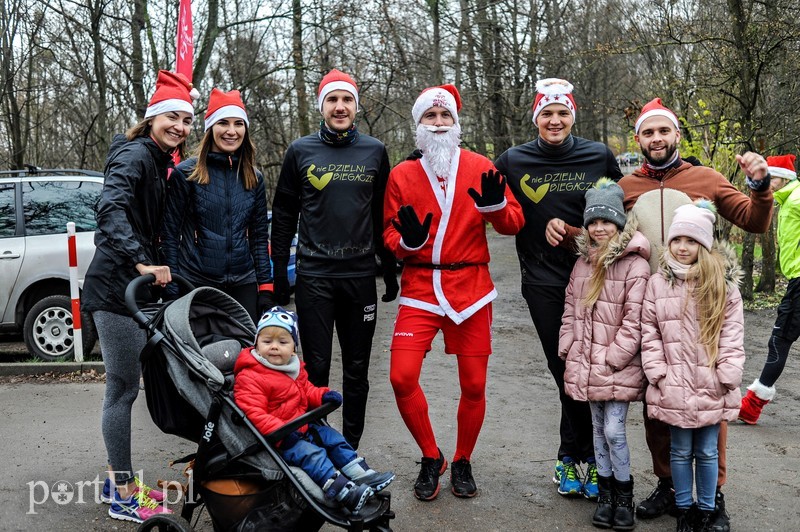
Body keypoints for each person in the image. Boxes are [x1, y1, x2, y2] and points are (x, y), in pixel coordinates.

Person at [618, 97, 772, 530]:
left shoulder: (705, 178)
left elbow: (753, 220)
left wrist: (759, 188)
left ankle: (712, 495)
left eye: (663, 131)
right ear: (639, 140)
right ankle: (669, 485)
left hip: (703, 313)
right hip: (654, 309)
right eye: (648, 133)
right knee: (657, 405)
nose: (656, 139)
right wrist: (567, 231)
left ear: (677, 136)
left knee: (707, 410)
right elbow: (607, 235)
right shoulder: (627, 187)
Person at [384, 84, 524, 501]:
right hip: (420, 287)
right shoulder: (401, 174)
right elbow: (389, 234)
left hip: (471, 288)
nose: (439, 124)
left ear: (457, 124)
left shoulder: (481, 165)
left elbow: (513, 223)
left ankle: (462, 459)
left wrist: (496, 207)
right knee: (400, 376)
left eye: (446, 117)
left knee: (475, 385)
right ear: (419, 125)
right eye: (431, 117)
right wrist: (406, 243)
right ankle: (432, 456)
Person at [495, 78, 623, 500]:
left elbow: (625, 207)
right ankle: (579, 456)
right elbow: (476, 192)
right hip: (543, 279)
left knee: (591, 367)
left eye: (562, 112)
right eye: (546, 113)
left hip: (594, 276)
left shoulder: (598, 155)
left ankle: (577, 457)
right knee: (563, 366)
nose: (554, 120)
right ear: (536, 118)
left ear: (573, 115)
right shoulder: (514, 160)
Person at [81, 70, 196, 523]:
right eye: (172, 117)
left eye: (187, 120)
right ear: (151, 119)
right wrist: (140, 260)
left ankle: (120, 479)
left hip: (132, 287)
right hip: (114, 288)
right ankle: (122, 493)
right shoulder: (134, 156)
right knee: (122, 388)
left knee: (129, 385)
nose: (180, 127)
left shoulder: (157, 158)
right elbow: (108, 208)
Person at [269, 68, 398, 449]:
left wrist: (389, 269)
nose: (339, 107)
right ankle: (319, 444)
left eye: (347, 100)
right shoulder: (300, 151)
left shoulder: (374, 150)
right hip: (315, 277)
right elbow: (284, 215)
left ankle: (351, 448)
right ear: (322, 106)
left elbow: (382, 215)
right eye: (332, 100)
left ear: (356, 107)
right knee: (316, 369)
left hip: (359, 277)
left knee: (358, 369)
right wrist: (279, 272)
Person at [640, 201, 745, 532]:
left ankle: (707, 508)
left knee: (708, 451)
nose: (683, 248)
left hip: (712, 383)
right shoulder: (658, 283)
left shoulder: (722, 285)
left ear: (704, 244)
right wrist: (657, 371)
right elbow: (650, 331)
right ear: (669, 242)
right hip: (672, 384)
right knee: (681, 451)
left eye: (691, 241)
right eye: (677, 240)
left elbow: (733, 333)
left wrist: (726, 374)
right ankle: (684, 509)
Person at [233, 307, 395, 514]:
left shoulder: (292, 367)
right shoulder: (250, 376)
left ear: (293, 348)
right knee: (312, 455)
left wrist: (322, 396)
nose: (274, 347)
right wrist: (282, 432)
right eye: (267, 342)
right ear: (256, 344)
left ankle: (360, 473)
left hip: (301, 426)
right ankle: (341, 491)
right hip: (279, 439)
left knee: (332, 438)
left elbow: (305, 390)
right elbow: (254, 413)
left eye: (282, 342)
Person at [558, 179, 650, 530]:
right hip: (585, 360)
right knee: (597, 429)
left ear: (620, 222)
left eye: (606, 221)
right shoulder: (583, 262)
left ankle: (624, 495)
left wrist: (613, 357)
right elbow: (570, 305)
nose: (599, 228)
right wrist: (567, 341)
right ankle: (607, 495)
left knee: (614, 429)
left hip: (616, 364)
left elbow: (635, 320)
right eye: (593, 221)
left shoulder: (634, 265)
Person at [161, 88, 272, 323]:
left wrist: (265, 287)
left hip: (243, 282)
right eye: (223, 123)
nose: (232, 131)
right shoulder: (186, 174)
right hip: (197, 281)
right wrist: (172, 287)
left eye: (238, 124)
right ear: (211, 128)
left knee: (243, 357)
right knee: (204, 356)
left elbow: (260, 238)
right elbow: (169, 236)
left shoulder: (254, 177)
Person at [739, 154, 799, 424]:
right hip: (795, 280)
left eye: (771, 178)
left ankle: (752, 405)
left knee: (778, 341)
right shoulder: (787, 200)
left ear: (784, 178)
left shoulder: (797, 199)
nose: (768, 183)